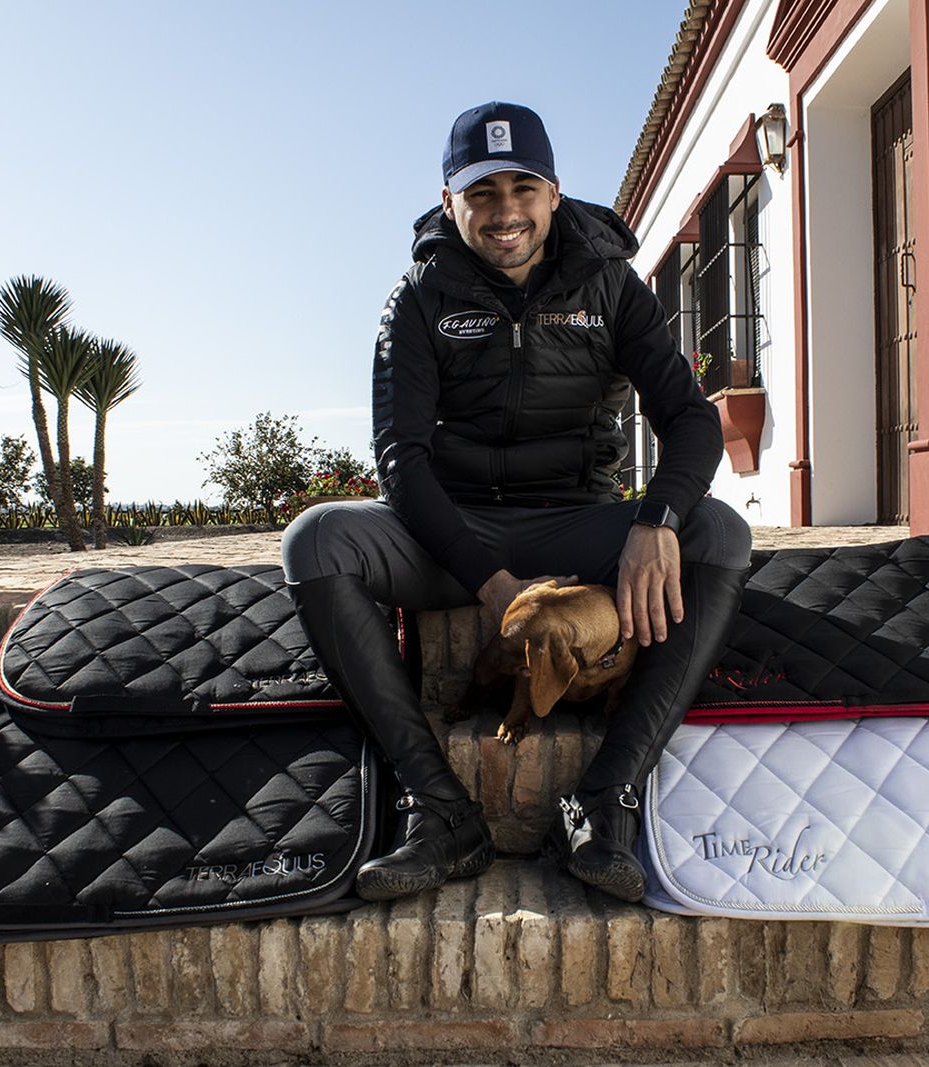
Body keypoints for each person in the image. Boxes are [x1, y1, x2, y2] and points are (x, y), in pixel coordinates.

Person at [281, 101, 751, 903]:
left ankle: (604, 799)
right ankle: (439, 811)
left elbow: (688, 418)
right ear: (449, 201)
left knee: (718, 532)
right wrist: (492, 583)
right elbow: (402, 458)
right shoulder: (419, 299)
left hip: (579, 519)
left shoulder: (611, 286)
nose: (505, 212)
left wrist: (655, 519)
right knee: (316, 540)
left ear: (555, 193)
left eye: (522, 188)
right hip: (454, 535)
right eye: (483, 191)